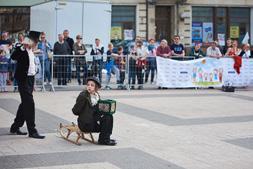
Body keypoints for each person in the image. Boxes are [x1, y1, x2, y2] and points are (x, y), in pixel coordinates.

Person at [10, 31, 45, 139]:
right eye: (36, 41)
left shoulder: (31, 50)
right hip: (23, 79)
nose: (37, 43)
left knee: (25, 103)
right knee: (29, 104)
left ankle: (15, 127)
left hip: (30, 79)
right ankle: (32, 131)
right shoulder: (21, 48)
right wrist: (22, 47)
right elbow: (13, 57)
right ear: (30, 41)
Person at [72, 76, 116, 146]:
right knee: (106, 117)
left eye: (92, 85)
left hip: (93, 121)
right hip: (86, 124)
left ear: (96, 87)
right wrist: (85, 111)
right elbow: (75, 111)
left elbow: (97, 110)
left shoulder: (96, 95)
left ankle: (104, 139)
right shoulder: (83, 96)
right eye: (88, 85)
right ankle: (104, 139)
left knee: (109, 116)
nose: (89, 87)